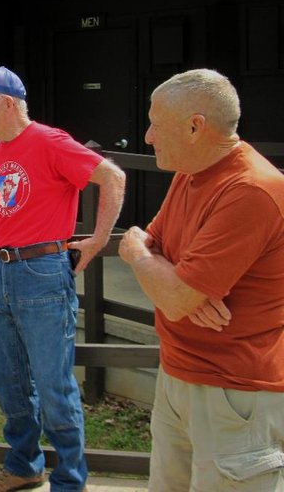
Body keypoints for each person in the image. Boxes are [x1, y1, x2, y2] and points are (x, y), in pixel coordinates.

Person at [0, 66, 126, 492]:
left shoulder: (50, 141)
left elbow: (113, 176)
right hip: (4, 274)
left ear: (8, 103)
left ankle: (69, 480)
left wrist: (99, 239)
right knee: (10, 382)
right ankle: (24, 465)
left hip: (44, 272)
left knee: (53, 384)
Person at [118, 69, 284, 491]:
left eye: (156, 122)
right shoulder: (190, 174)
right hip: (178, 375)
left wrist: (140, 255)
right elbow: (158, 251)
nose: (148, 136)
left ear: (195, 126)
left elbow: (171, 292)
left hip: (232, 393)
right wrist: (163, 268)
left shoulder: (251, 190)